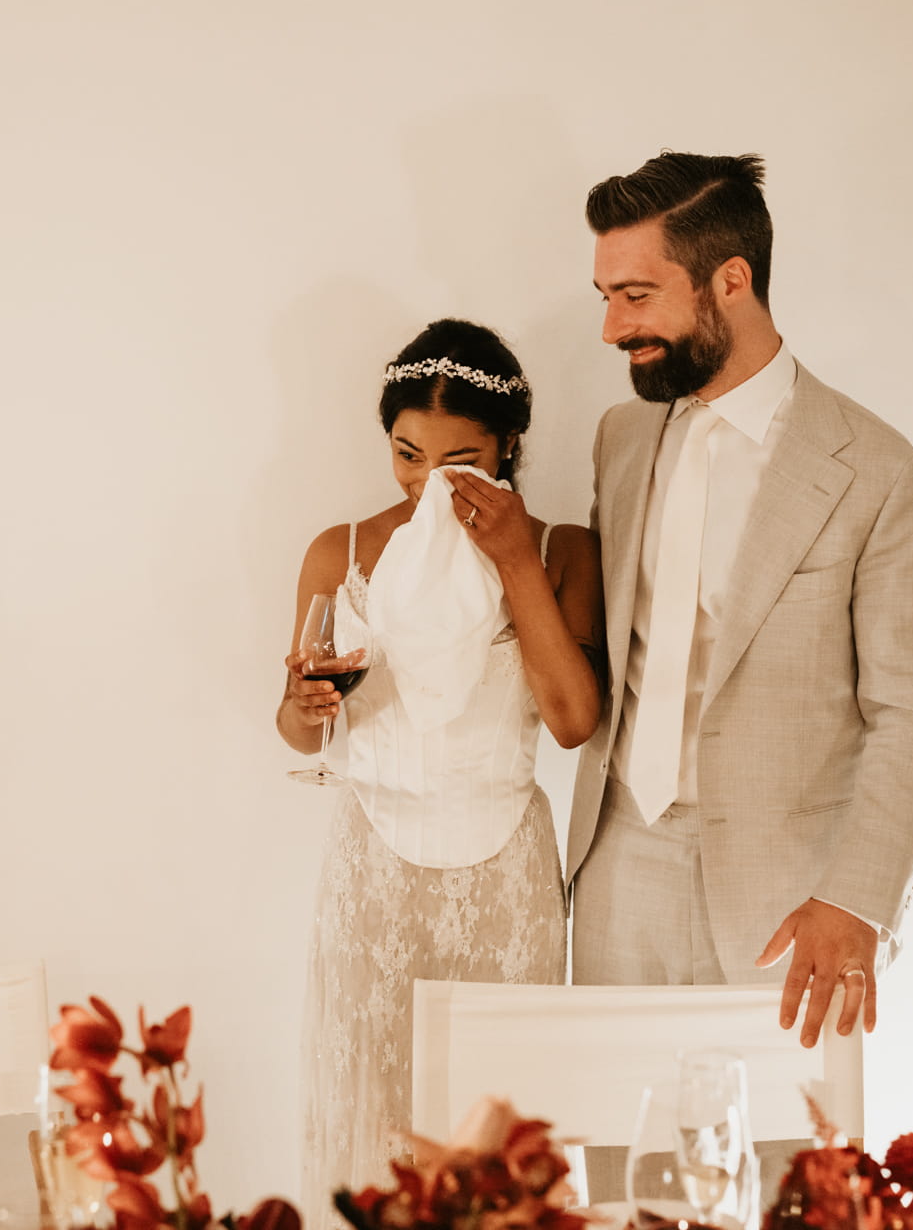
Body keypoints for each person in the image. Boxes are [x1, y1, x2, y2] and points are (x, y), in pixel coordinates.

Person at [570, 152, 913, 1048]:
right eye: (605, 296)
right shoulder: (620, 439)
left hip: (794, 904)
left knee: (789, 1138)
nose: (611, 327)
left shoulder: (883, 473)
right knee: (608, 1135)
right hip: (616, 870)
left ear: (731, 280)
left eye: (636, 296)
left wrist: (857, 898)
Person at [278, 318, 604, 1216]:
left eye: (460, 459)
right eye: (407, 455)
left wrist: (512, 558)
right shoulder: (340, 551)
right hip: (372, 879)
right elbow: (299, 731)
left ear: (508, 448)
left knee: (501, 1136)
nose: (427, 482)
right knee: (371, 1125)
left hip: (505, 884)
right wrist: (305, 706)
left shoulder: (562, 551)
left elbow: (574, 721)